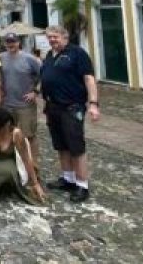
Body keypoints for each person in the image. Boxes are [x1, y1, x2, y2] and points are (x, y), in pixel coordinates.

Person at [40, 25, 100, 203]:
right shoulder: (50, 55)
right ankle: (68, 179)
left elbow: (89, 79)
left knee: (76, 146)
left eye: (55, 37)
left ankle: (82, 185)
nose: (52, 40)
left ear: (64, 37)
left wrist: (94, 104)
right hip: (53, 107)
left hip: (71, 107)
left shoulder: (77, 53)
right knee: (61, 145)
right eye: (49, 37)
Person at [0, 108, 44, 204]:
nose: (8, 128)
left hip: (8, 159)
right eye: (5, 126)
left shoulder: (15, 133)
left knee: (7, 172)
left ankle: (10, 186)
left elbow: (26, 159)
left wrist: (35, 183)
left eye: (9, 125)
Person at [0, 33, 42, 167]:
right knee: (8, 134)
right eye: (8, 42)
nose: (11, 44)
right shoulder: (0, 58)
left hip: (25, 105)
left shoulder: (30, 59)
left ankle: (33, 164)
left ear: (19, 42)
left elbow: (44, 75)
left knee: (29, 135)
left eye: (13, 41)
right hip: (7, 104)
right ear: (5, 43)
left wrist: (35, 91)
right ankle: (14, 162)